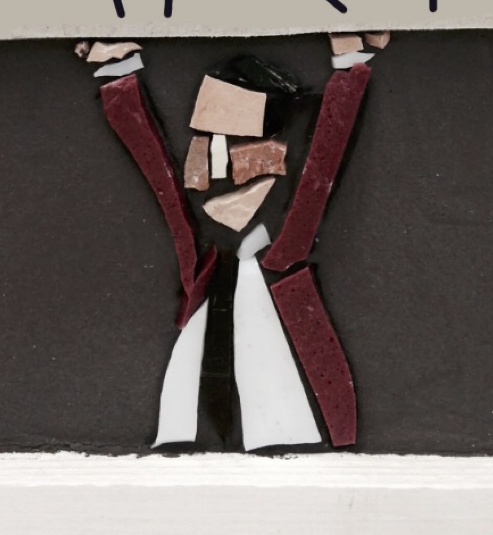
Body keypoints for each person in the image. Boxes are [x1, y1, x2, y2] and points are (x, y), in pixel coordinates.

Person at [76, 35, 382, 451]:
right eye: (207, 137)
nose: (209, 157)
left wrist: (350, 65)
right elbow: (154, 161)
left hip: (296, 435)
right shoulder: (206, 251)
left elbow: (328, 149)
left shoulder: (286, 237)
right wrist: (117, 74)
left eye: (228, 138)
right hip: (217, 305)